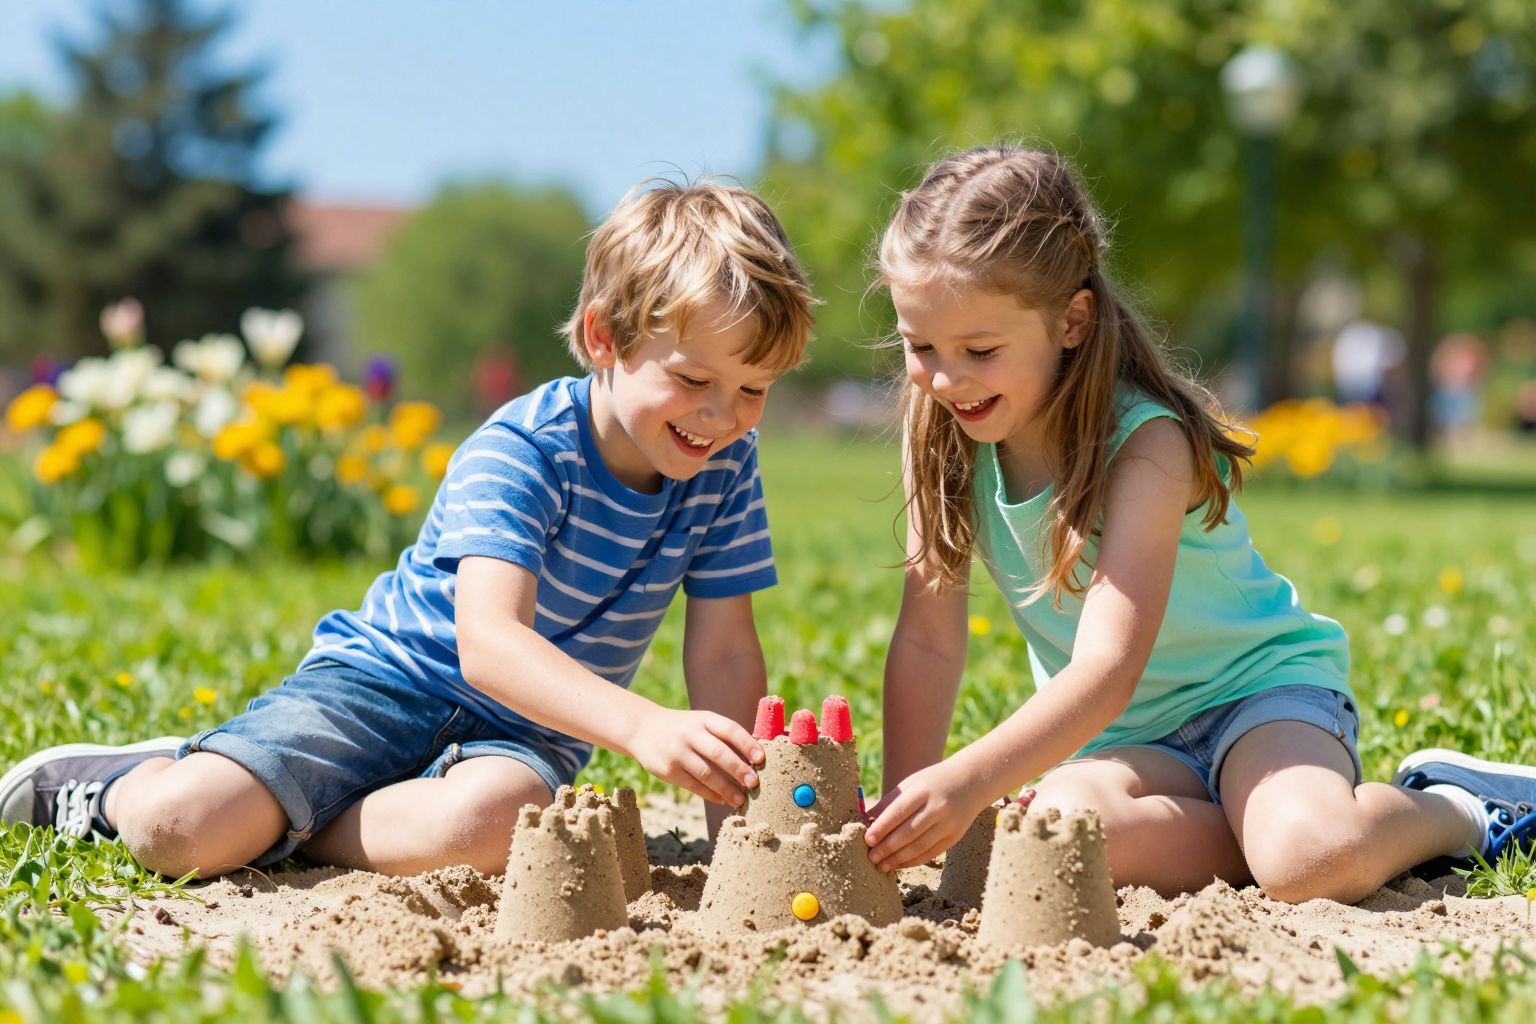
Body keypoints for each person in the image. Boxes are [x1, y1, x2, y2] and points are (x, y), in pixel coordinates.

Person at [0, 178, 816, 879]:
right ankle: (118, 785)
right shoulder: (524, 449)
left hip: (520, 739)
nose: (723, 416)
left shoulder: (726, 470)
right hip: (382, 687)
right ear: (604, 338)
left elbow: (723, 651)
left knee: (501, 823)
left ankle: (287, 812)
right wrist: (641, 725)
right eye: (693, 378)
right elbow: (488, 644)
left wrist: (736, 836)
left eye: (754, 389)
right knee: (181, 828)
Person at [860, 146, 1536, 903]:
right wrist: (903, 810)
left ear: (1072, 321)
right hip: (1124, 746)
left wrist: (968, 779)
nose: (945, 379)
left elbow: (1107, 669)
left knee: (1310, 861)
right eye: (921, 347)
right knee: (1057, 832)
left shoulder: (1148, 443)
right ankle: (1261, 824)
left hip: (1257, 698)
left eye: (979, 350)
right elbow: (928, 638)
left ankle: (1456, 804)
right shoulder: (942, 439)